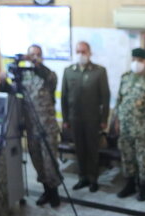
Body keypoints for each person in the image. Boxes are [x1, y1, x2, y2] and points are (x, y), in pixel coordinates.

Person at [113, 48, 145, 202]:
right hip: (126, 126)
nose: (136, 63)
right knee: (127, 155)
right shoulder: (125, 77)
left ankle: (144, 187)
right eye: (134, 59)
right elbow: (119, 100)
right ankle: (129, 184)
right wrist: (116, 120)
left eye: (140, 60)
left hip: (143, 128)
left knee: (144, 158)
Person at [61, 41, 110, 193]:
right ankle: (82, 178)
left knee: (92, 150)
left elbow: (105, 97)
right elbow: (64, 97)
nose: (81, 55)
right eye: (78, 52)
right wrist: (65, 119)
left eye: (84, 51)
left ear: (89, 53)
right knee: (80, 150)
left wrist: (104, 119)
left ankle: (93, 179)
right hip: (75, 119)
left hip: (92, 119)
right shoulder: (69, 71)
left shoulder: (99, 72)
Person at [22, 44, 62, 207]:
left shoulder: (49, 75)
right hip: (32, 128)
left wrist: (37, 64)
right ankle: (46, 190)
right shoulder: (24, 77)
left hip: (47, 127)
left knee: (49, 161)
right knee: (37, 160)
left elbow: (49, 79)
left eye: (38, 54)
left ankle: (54, 193)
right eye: (32, 54)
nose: (35, 57)